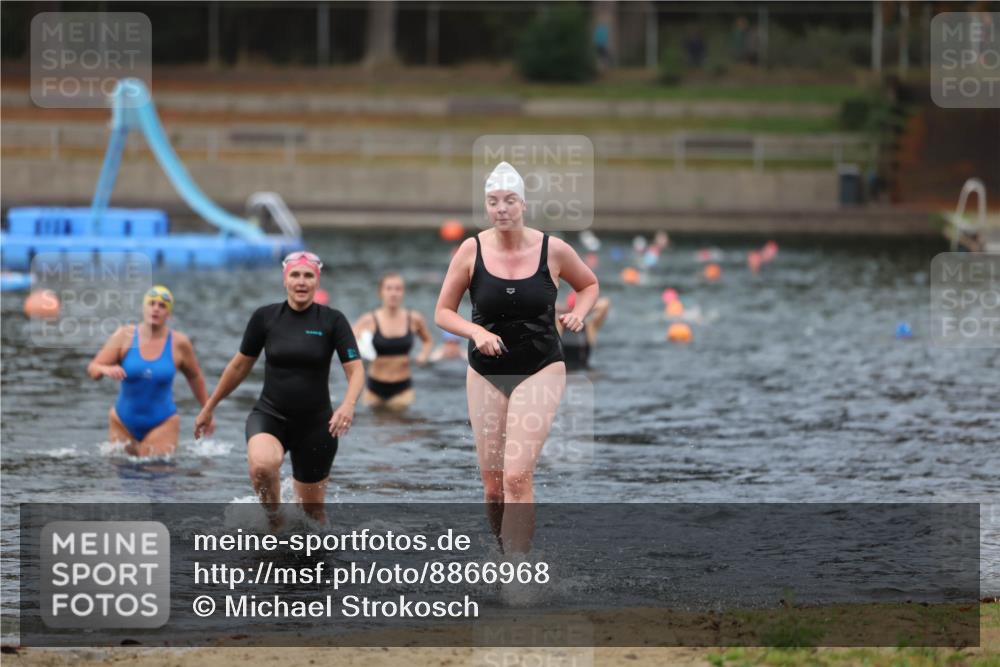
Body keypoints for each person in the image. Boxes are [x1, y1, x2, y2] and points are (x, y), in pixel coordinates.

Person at [435, 161, 599, 555]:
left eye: (509, 201)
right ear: (487, 206)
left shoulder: (552, 248)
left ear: (523, 204)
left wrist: (579, 311)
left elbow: (589, 284)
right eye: (493, 202)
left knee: (516, 477)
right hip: (486, 371)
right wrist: (475, 331)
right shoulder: (470, 249)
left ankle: (518, 575)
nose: (501, 209)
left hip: (540, 367)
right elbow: (443, 312)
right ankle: (503, 554)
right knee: (493, 488)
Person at [194, 252, 364, 529]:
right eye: (295, 275)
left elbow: (356, 370)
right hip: (270, 414)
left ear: (317, 281)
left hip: (317, 425)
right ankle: (275, 520)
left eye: (308, 275)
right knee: (262, 467)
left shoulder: (332, 321)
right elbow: (238, 367)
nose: (301, 281)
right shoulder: (265, 317)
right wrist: (209, 406)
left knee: (313, 515)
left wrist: (348, 404)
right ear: (285, 279)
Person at [87, 285, 213, 457]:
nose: (156, 308)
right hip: (122, 421)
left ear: (168, 313)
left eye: (162, 306)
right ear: (144, 307)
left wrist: (207, 411)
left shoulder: (179, 343)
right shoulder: (124, 336)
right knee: (121, 477)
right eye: (151, 303)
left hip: (163, 422)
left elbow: (195, 376)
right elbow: (93, 369)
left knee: (155, 476)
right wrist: (105, 369)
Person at [352, 272, 432, 410]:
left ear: (403, 292)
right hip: (374, 388)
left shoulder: (414, 319)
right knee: (374, 429)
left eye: (398, 289)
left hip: (402, 388)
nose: (393, 293)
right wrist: (359, 349)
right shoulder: (368, 320)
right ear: (381, 292)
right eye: (389, 288)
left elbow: (428, 340)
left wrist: (424, 354)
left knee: (400, 428)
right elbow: (348, 345)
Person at [556, 291, 611, 371]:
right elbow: (549, 305)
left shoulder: (589, 327)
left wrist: (582, 310)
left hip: (584, 371)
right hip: (564, 371)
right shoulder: (560, 325)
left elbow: (605, 303)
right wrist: (567, 310)